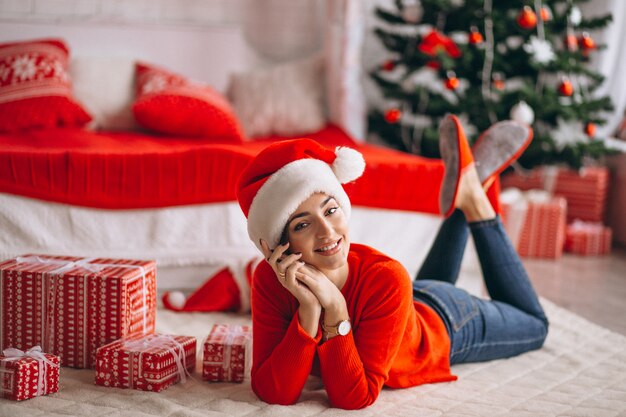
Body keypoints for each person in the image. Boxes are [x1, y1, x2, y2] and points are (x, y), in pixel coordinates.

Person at [235, 114, 549, 410]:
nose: (327, 231)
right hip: (406, 304)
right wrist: (308, 311)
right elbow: (273, 391)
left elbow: (353, 398)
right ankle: (468, 188)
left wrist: (336, 309)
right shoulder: (268, 278)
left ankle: (476, 202)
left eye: (331, 210)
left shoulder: (385, 277)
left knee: (536, 326)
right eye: (302, 225)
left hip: (448, 321)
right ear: (276, 245)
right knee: (405, 292)